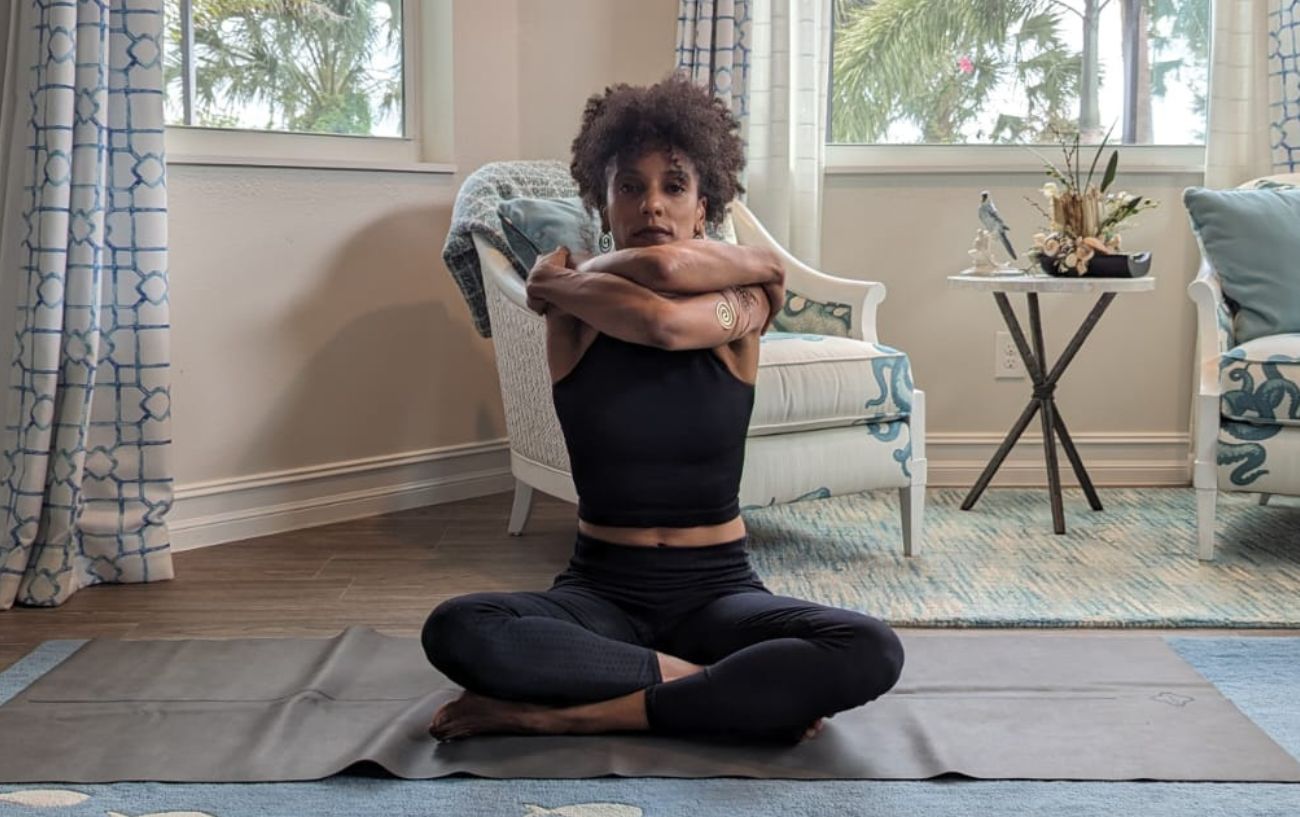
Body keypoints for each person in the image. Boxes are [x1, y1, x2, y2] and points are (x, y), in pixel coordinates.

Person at [422, 73, 903, 743]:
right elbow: (654, 302)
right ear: (604, 202)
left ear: (702, 205)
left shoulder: (722, 308)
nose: (652, 205)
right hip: (599, 592)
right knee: (456, 628)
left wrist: (560, 274)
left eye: (674, 186)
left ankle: (564, 713)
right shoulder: (576, 312)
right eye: (630, 187)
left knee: (873, 648)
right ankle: (716, 688)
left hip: (720, 593)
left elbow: (668, 309)